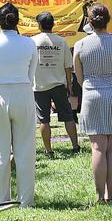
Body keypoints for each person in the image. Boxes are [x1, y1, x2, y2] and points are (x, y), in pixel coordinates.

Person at [73, 3, 112, 203]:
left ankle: (100, 196)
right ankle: (110, 194)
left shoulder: (81, 45)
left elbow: (79, 77)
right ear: (109, 20)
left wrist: (91, 85)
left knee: (98, 148)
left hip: (92, 95)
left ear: (89, 22)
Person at [0, 3, 39, 207]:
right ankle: (26, 200)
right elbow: (31, 74)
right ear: (17, 21)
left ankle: (0, 200)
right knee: (25, 151)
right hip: (23, 92)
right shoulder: (29, 43)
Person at [32, 11, 80, 157]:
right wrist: (70, 84)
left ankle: (48, 150)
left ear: (39, 25)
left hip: (39, 85)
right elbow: (68, 66)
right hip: (59, 84)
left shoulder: (32, 41)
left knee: (43, 119)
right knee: (68, 116)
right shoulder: (61, 41)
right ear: (53, 24)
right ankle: (75, 146)